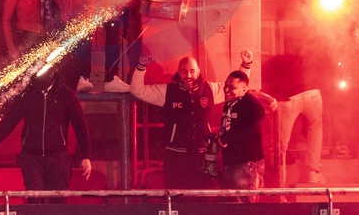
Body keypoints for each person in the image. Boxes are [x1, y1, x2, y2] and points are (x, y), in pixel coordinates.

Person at [130, 51, 253, 189]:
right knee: (177, 197)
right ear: (178, 72)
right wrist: (141, 67)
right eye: (184, 71)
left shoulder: (210, 89)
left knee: (205, 196)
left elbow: (238, 86)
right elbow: (137, 90)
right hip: (176, 158)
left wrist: (245, 65)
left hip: (205, 156)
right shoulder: (167, 91)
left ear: (198, 72)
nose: (188, 75)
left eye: (192, 71)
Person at [0, 67, 92, 195]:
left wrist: (85, 156)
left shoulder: (66, 94)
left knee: (57, 200)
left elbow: (80, 125)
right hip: (31, 156)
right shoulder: (27, 93)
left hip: (58, 156)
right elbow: (10, 119)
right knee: (34, 199)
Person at [262, 54, 325, 184]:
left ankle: (278, 179)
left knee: (280, 143)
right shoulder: (297, 58)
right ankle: (314, 173)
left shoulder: (269, 66)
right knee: (315, 129)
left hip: (289, 99)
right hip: (312, 93)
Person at [219, 70, 265, 202]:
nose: (226, 90)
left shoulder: (252, 105)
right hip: (230, 164)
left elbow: (255, 131)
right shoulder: (230, 103)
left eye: (231, 87)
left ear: (244, 89)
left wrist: (228, 136)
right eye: (225, 85)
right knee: (230, 207)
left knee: (243, 207)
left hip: (246, 165)